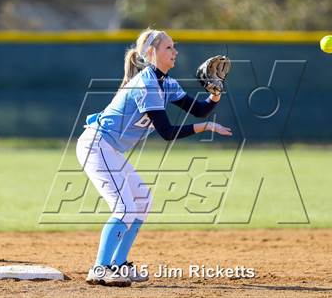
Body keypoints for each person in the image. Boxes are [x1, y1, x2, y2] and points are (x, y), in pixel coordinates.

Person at [76, 28, 232, 287]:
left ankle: (119, 265)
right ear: (151, 53)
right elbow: (168, 133)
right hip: (96, 145)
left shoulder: (166, 83)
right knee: (125, 207)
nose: (175, 52)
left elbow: (200, 109)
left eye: (174, 46)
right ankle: (100, 269)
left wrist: (215, 94)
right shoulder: (146, 84)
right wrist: (205, 128)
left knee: (142, 201)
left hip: (110, 149)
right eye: (168, 47)